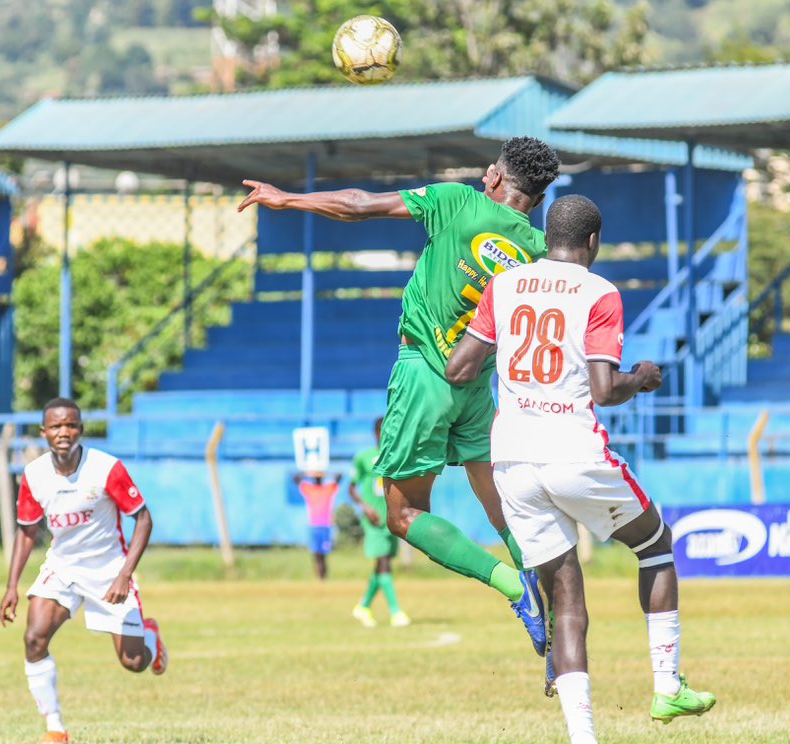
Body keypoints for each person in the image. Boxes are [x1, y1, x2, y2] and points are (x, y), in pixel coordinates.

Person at [238, 136, 561, 655]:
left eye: (489, 170)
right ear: (539, 200)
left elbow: (360, 206)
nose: (483, 174)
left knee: (403, 516)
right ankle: (551, 603)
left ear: (498, 178)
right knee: (503, 509)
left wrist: (287, 199)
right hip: (481, 385)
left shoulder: (460, 202)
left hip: (425, 373)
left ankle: (510, 586)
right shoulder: (539, 251)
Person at [446, 195, 716, 742]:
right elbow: (604, 388)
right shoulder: (599, 292)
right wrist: (641, 376)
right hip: (572, 450)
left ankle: (583, 738)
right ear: (593, 242)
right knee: (656, 545)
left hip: (512, 461)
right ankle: (667, 687)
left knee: (564, 594)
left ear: (548, 237)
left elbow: (459, 368)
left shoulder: (506, 285)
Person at [0, 397, 168, 744]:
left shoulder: (105, 468)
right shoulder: (34, 475)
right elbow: (28, 531)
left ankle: (150, 635)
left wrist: (124, 575)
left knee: (134, 662)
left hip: (108, 570)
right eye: (56, 426)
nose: (64, 432)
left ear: (80, 429)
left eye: (71, 425)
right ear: (44, 432)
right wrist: (12, 586)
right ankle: (56, 728)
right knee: (34, 638)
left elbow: (144, 518)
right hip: (62, 568)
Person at [348, 417, 410, 628]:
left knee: (381, 565)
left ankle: (363, 606)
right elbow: (352, 488)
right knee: (384, 563)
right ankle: (396, 612)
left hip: (391, 518)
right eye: (383, 431)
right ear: (376, 433)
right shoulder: (364, 458)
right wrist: (366, 508)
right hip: (373, 519)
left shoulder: (396, 457)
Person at [294, 470, 342, 580]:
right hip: (314, 526)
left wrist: (324, 473)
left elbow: (339, 476)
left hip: (326, 526)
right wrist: (310, 474)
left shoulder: (328, 488)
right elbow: (296, 479)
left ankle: (324, 578)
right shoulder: (309, 488)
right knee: (316, 555)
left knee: (324, 556)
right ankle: (319, 578)